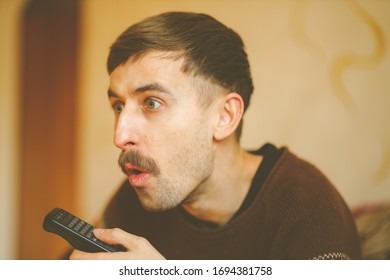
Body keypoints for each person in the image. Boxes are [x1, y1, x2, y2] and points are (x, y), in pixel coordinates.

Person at [70, 11, 361, 260]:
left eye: (151, 103)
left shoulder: (307, 212)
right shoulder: (139, 191)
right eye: (118, 106)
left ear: (224, 117)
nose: (120, 136)